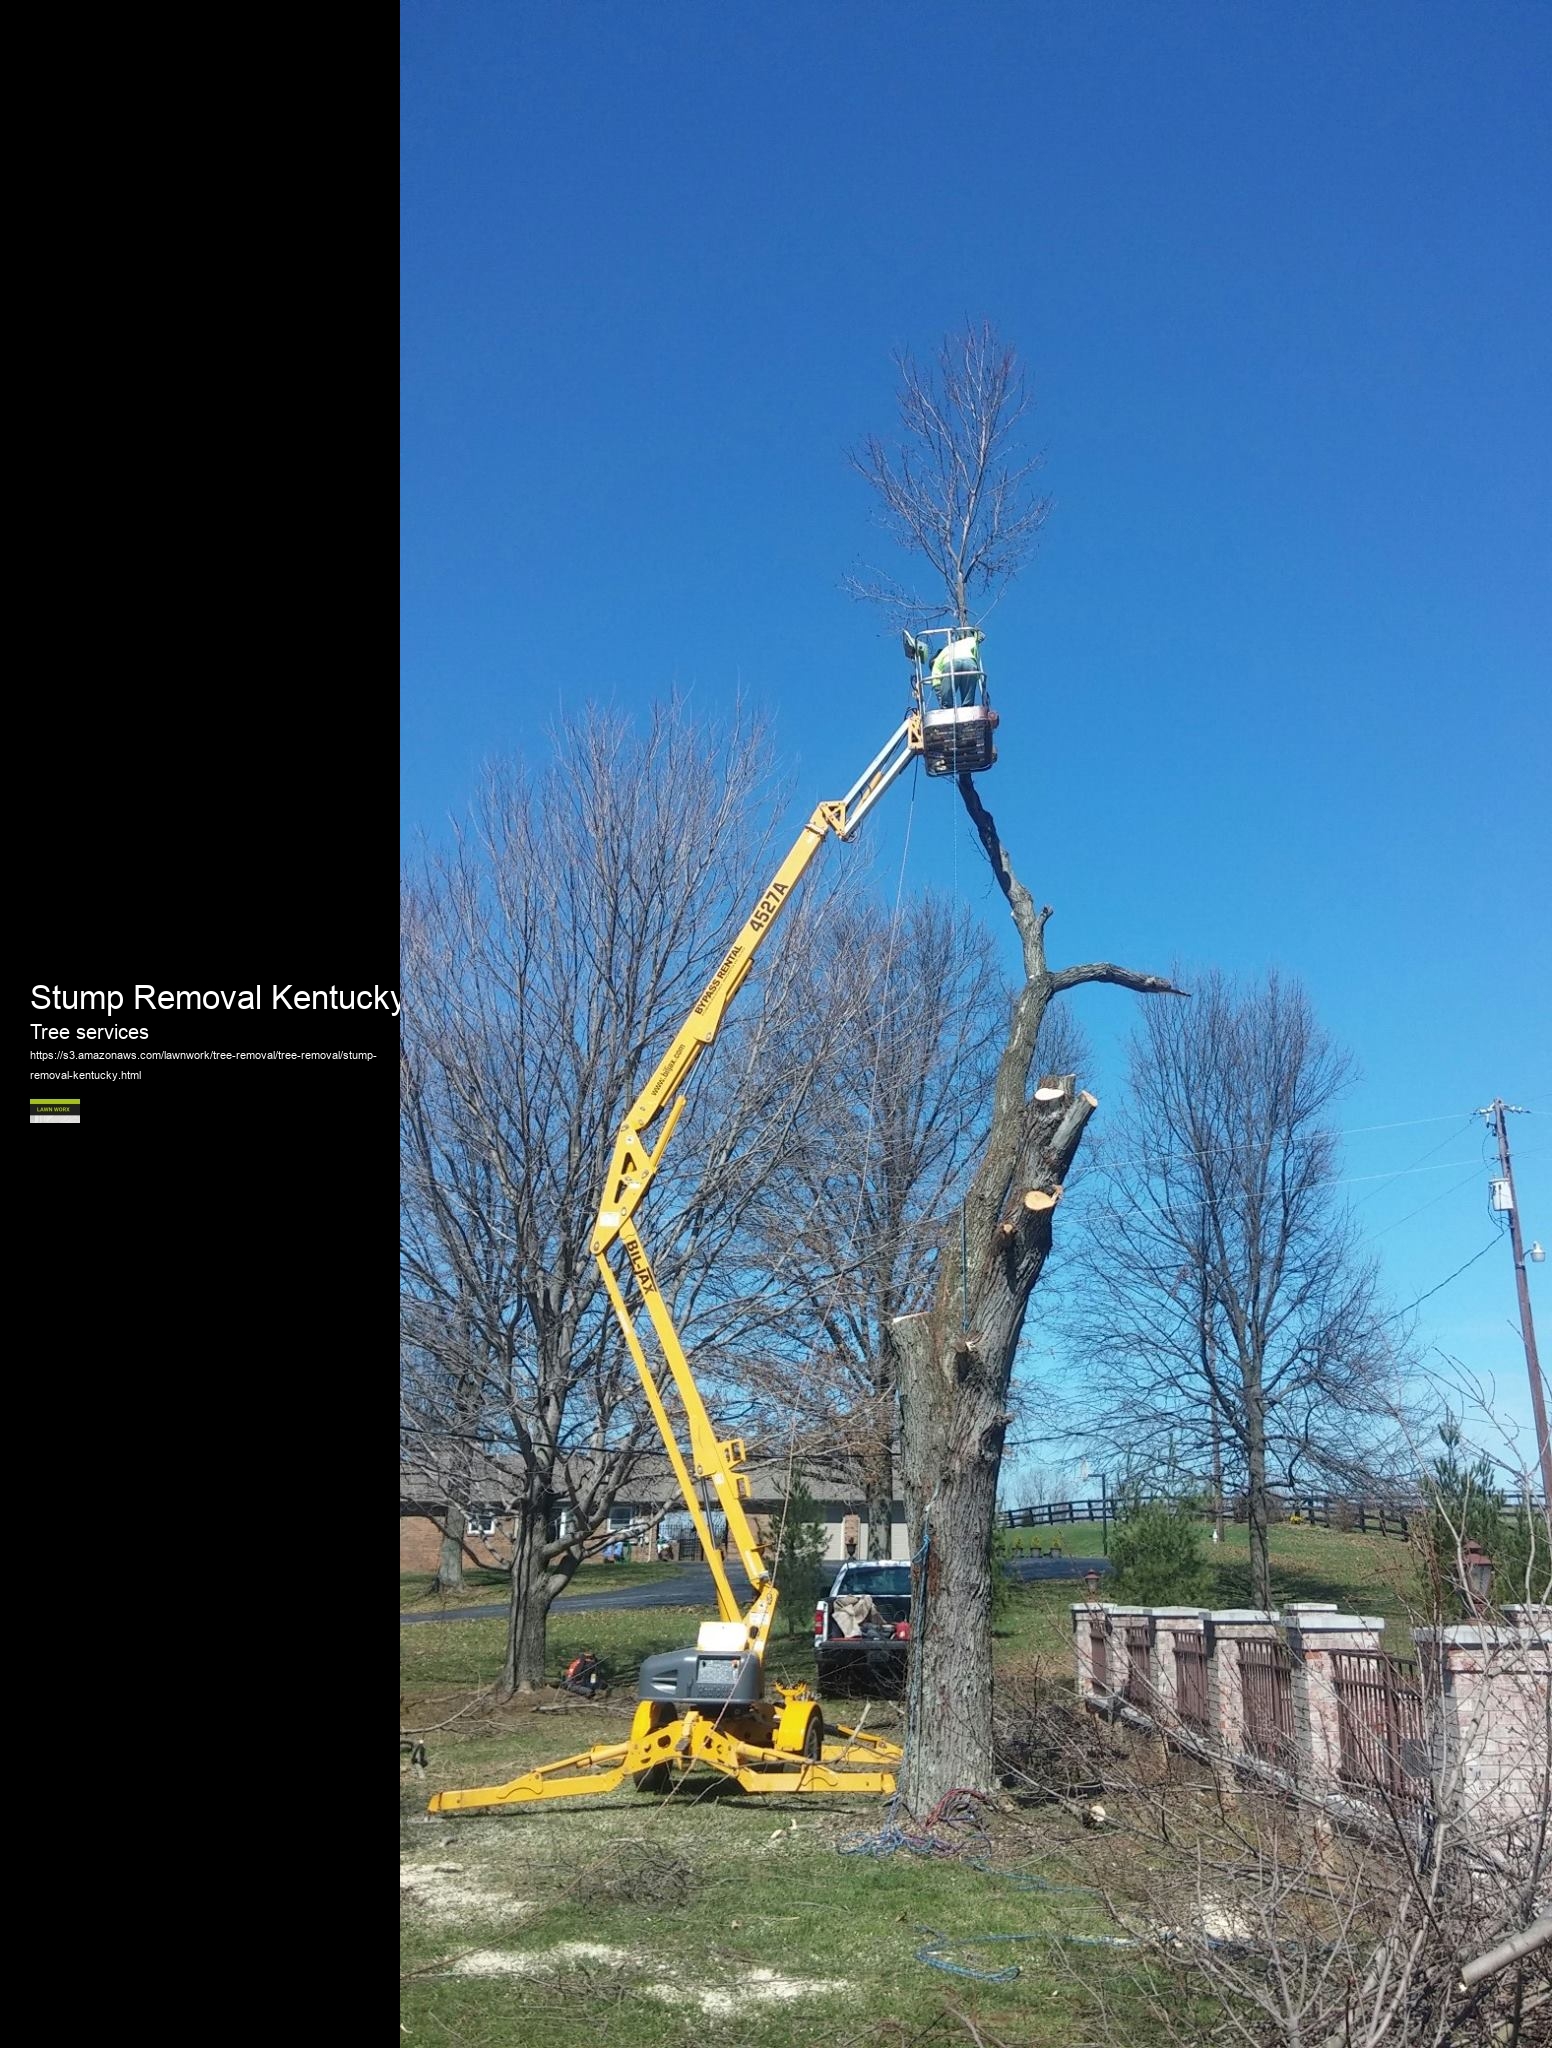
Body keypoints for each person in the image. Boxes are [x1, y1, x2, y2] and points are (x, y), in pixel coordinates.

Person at [930, 628, 986, 707]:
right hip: (970, 664)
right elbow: (981, 636)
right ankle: (968, 706)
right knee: (968, 698)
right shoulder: (970, 641)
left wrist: (940, 698)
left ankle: (947, 707)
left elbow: (936, 680)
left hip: (950, 664)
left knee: (946, 698)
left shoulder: (941, 655)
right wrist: (974, 630)